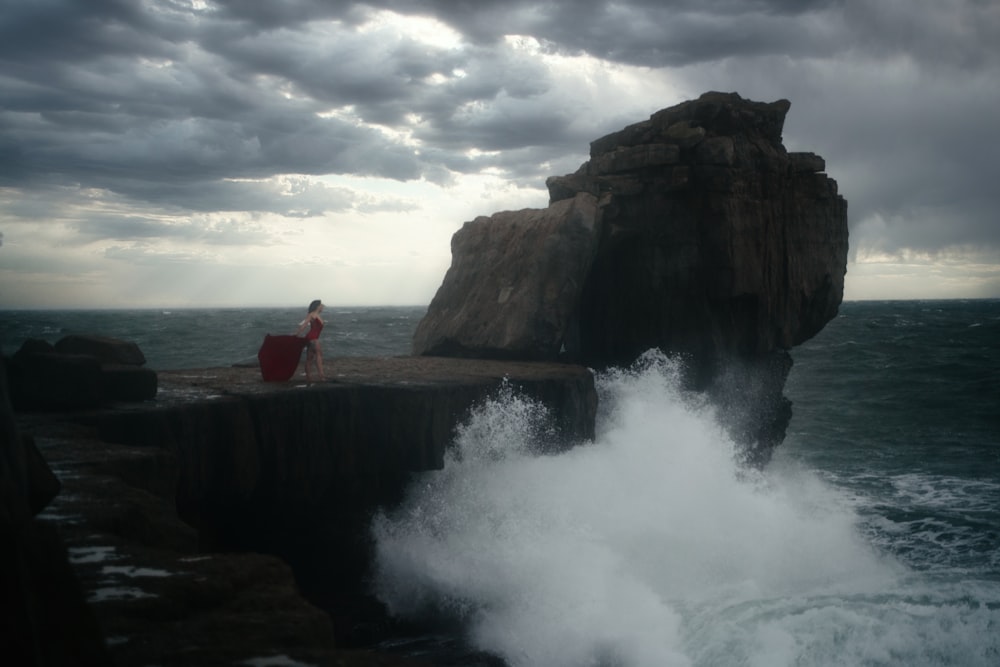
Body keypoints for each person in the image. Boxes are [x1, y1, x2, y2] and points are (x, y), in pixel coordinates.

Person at [295, 299, 325, 380]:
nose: (323, 306)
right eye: (321, 305)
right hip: (313, 338)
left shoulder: (317, 314)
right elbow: (304, 325)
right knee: (319, 355)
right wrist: (296, 334)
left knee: (310, 358)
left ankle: (308, 378)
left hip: (311, 338)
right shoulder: (311, 314)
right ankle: (321, 376)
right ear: (317, 306)